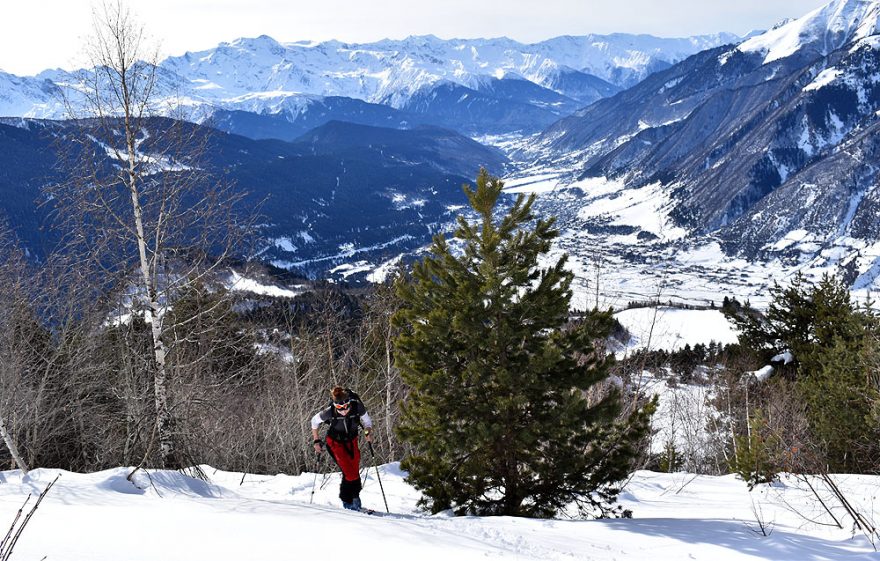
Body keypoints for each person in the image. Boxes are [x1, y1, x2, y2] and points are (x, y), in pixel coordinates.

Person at [311, 386, 373, 510]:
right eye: (340, 408)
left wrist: (368, 432)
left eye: (346, 407)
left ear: (349, 403)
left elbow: (367, 422)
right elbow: (314, 421)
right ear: (335, 406)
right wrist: (316, 440)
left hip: (352, 441)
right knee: (349, 474)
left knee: (354, 472)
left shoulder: (357, 407)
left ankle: (355, 501)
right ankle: (348, 502)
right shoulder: (329, 411)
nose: (344, 411)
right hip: (335, 443)